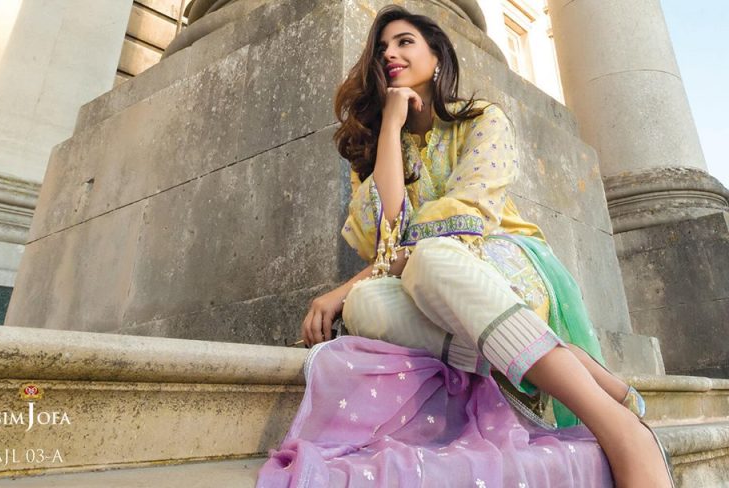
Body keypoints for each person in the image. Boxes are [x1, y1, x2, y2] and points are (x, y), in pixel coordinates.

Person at [259, 5, 674, 487]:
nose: (389, 53)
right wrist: (390, 126)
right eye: (382, 48)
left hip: (501, 264)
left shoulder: (483, 120)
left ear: (437, 57)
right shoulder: (377, 155)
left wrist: (342, 287)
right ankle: (562, 363)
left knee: (431, 255)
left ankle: (618, 426)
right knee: (366, 302)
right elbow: (390, 241)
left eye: (404, 42)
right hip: (429, 287)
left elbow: (458, 226)